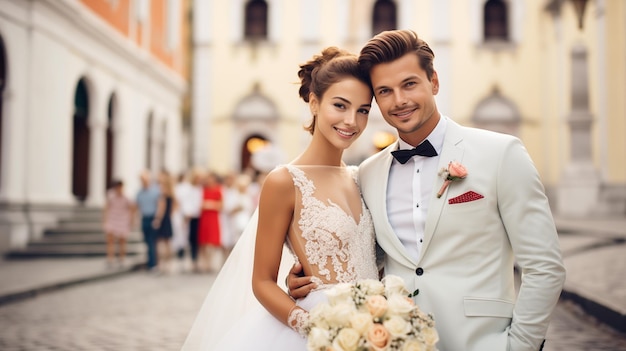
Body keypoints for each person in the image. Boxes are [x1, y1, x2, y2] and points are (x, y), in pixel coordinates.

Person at [287, 30, 566, 351]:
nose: (400, 100)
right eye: (385, 91)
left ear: (433, 81)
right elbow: (367, 259)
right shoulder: (367, 173)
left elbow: (545, 266)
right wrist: (312, 281)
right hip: (396, 343)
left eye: (409, 84)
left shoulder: (501, 154)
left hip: (483, 342)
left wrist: (520, 346)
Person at [182, 46, 377, 350]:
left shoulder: (362, 177)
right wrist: (316, 327)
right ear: (314, 102)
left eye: (363, 110)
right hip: (319, 333)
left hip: (375, 327)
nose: (352, 120)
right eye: (340, 105)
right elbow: (261, 282)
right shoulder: (284, 181)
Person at [177, 167, 204, 273]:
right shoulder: (187, 188)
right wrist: (187, 214)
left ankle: (194, 261)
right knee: (184, 239)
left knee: (195, 240)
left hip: (197, 217)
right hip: (188, 217)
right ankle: (182, 261)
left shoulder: (199, 189)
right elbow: (185, 202)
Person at [102, 179, 134, 268]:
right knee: (110, 241)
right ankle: (110, 259)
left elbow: (131, 209)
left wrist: (131, 221)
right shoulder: (110, 195)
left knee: (122, 241)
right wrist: (105, 220)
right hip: (112, 219)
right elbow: (106, 207)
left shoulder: (127, 197)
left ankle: (122, 259)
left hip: (123, 220)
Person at [197, 171, 223, 272]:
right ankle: (204, 263)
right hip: (205, 217)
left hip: (213, 217)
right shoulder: (203, 190)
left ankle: (211, 263)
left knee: (212, 241)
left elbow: (221, 205)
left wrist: (209, 204)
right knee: (203, 241)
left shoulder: (218, 190)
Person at [135, 170, 160, 272]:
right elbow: (137, 206)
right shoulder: (139, 192)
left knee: (152, 241)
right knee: (147, 241)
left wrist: (157, 218)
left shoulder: (155, 191)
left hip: (153, 217)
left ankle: (153, 264)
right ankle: (150, 262)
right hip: (144, 218)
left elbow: (159, 205)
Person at [153, 170, 177, 274]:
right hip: (168, 219)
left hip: (163, 220)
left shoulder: (162, 195)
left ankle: (161, 265)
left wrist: (157, 219)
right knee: (168, 243)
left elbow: (161, 209)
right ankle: (168, 264)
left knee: (159, 243)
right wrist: (171, 214)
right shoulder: (171, 194)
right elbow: (175, 206)